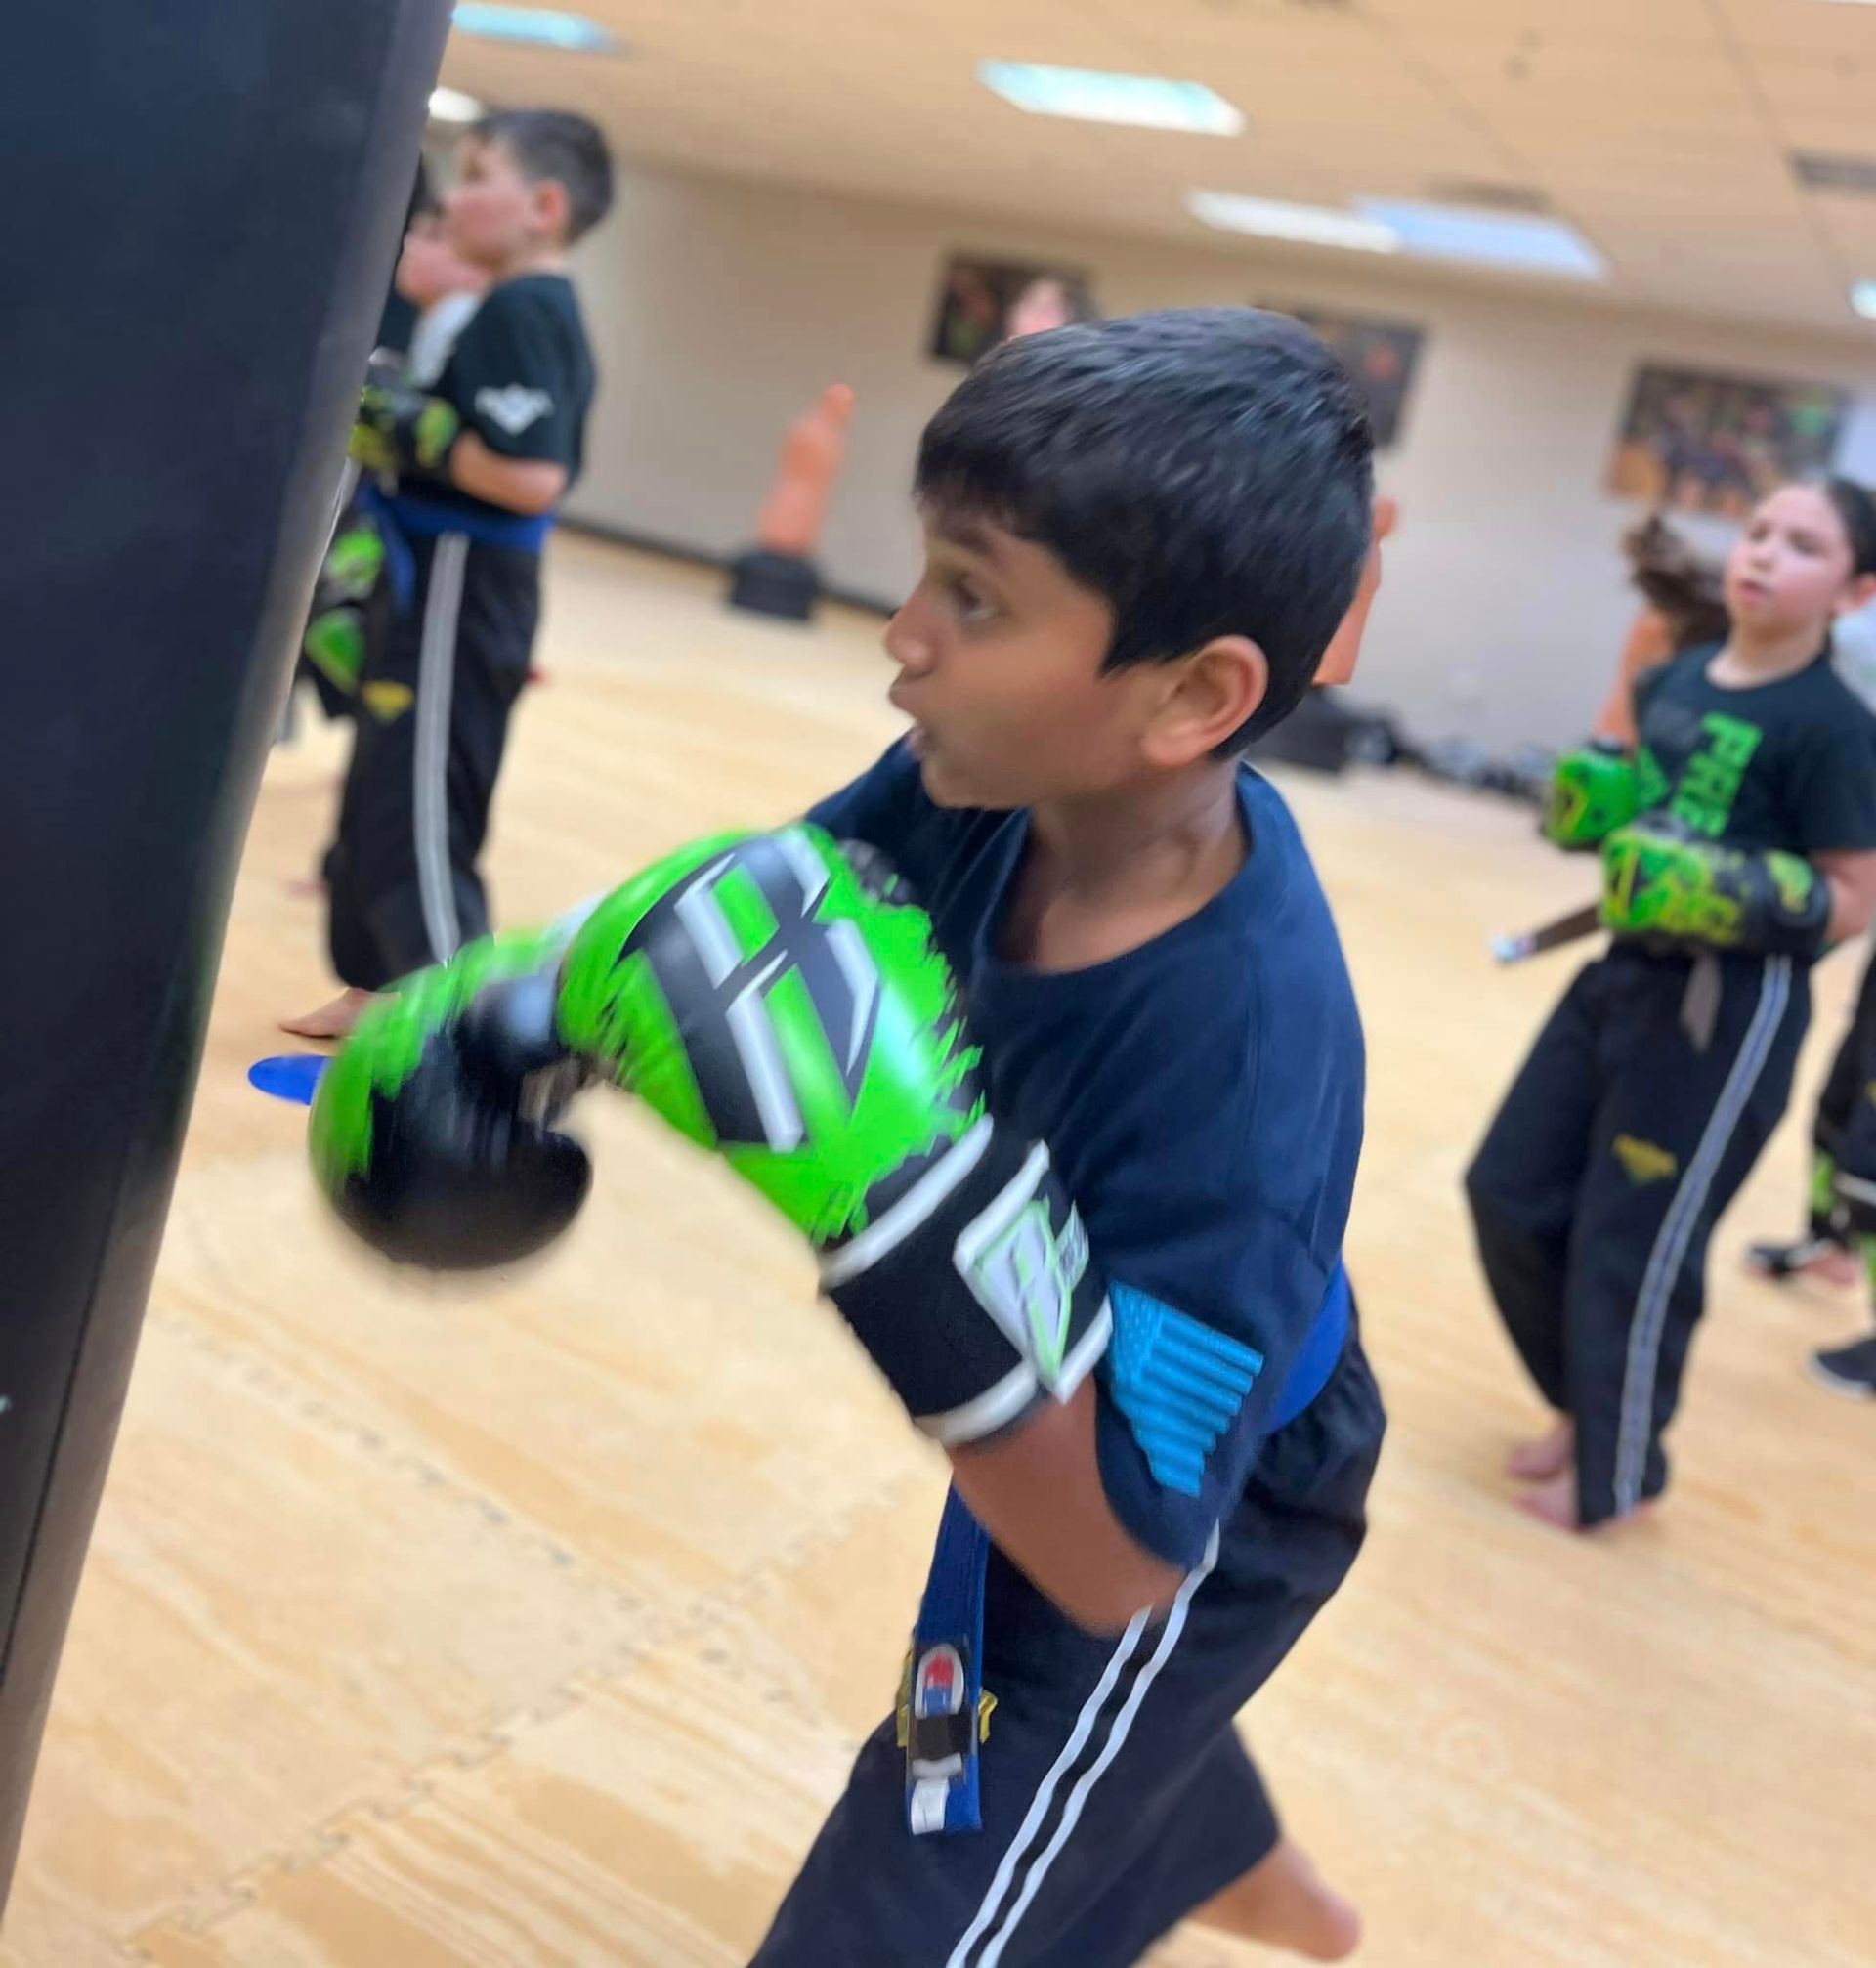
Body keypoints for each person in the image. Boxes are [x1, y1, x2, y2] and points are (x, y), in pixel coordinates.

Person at [306, 309, 1387, 1963]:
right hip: (1052, 1373)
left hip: (1200, 1502)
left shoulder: (1242, 1056)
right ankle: (1225, 1853)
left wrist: (890, 1202)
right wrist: (503, 1005)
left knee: (929, 1876)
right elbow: (748, 941)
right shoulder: (971, 787)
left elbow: (1115, 1559)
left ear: (1191, 696)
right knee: (1084, 1743)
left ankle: (1179, 1826)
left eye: (974, 595)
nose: (900, 636)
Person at [1468, 478, 1876, 1531]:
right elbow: (1631, 819)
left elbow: (1853, 898)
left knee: (1634, 1240)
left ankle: (1615, 1468)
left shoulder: (1834, 727)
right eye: (1760, 532)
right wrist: (1602, 804)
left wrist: (1726, 891)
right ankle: (1588, 1404)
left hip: (1723, 1014)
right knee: (1507, 1187)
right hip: (1621, 976)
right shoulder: (1682, 674)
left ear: (1856, 591)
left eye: (1804, 545)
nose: (1766, 553)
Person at [282, 109, 612, 1040]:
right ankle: (374, 991)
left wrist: (412, 425)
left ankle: (448, 1019)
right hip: (432, 573)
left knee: (426, 794)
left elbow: (530, 470)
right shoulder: (512, 305)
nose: (456, 197)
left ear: (543, 207)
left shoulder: (528, 308)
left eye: (476, 178)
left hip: (469, 578)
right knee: (384, 784)